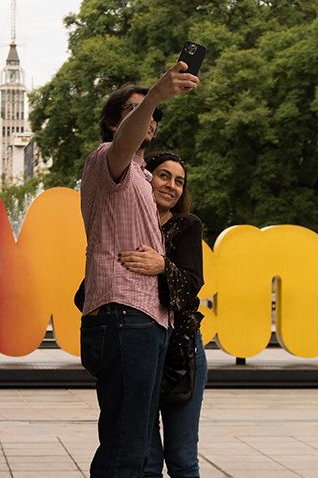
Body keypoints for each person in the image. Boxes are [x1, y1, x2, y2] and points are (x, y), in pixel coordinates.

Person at [79, 60, 199, 477]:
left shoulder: (141, 177)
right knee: (126, 449)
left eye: (150, 115)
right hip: (124, 316)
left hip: (149, 320)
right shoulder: (106, 161)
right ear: (113, 123)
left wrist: (163, 264)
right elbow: (125, 142)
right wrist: (154, 96)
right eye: (132, 111)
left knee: (140, 450)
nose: (147, 119)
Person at [135, 152, 207, 478]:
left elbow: (191, 286)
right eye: (164, 176)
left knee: (182, 458)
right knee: (146, 459)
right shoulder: (126, 222)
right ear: (145, 177)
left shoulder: (186, 225)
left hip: (181, 348)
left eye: (179, 181)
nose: (172, 186)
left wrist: (163, 265)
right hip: (138, 346)